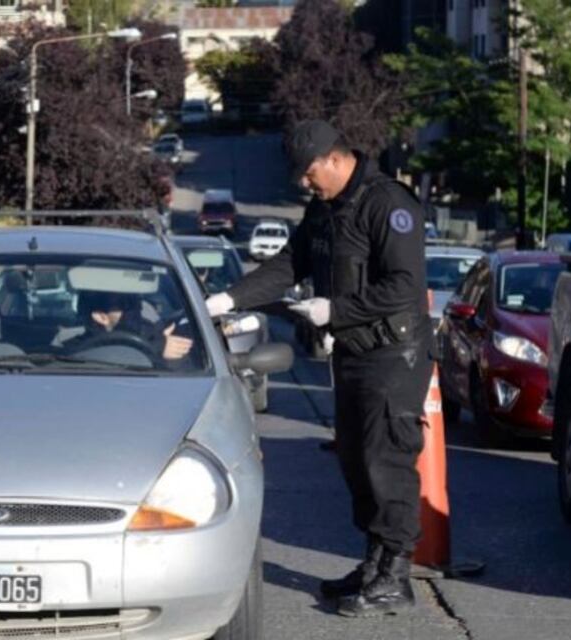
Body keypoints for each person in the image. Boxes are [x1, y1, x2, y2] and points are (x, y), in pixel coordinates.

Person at [206, 120, 434, 616]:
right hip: (354, 353)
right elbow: (291, 264)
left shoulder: (388, 204)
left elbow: (405, 287)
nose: (304, 184)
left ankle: (395, 574)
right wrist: (228, 298)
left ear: (335, 158)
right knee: (355, 459)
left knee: (385, 461)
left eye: (309, 174)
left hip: (395, 355)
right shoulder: (327, 208)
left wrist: (335, 310)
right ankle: (373, 563)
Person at [65, 290, 194, 363]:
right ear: (101, 317)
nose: (136, 309)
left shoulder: (154, 333)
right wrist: (156, 350)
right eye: (125, 304)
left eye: (135, 301)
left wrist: (161, 342)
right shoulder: (72, 348)